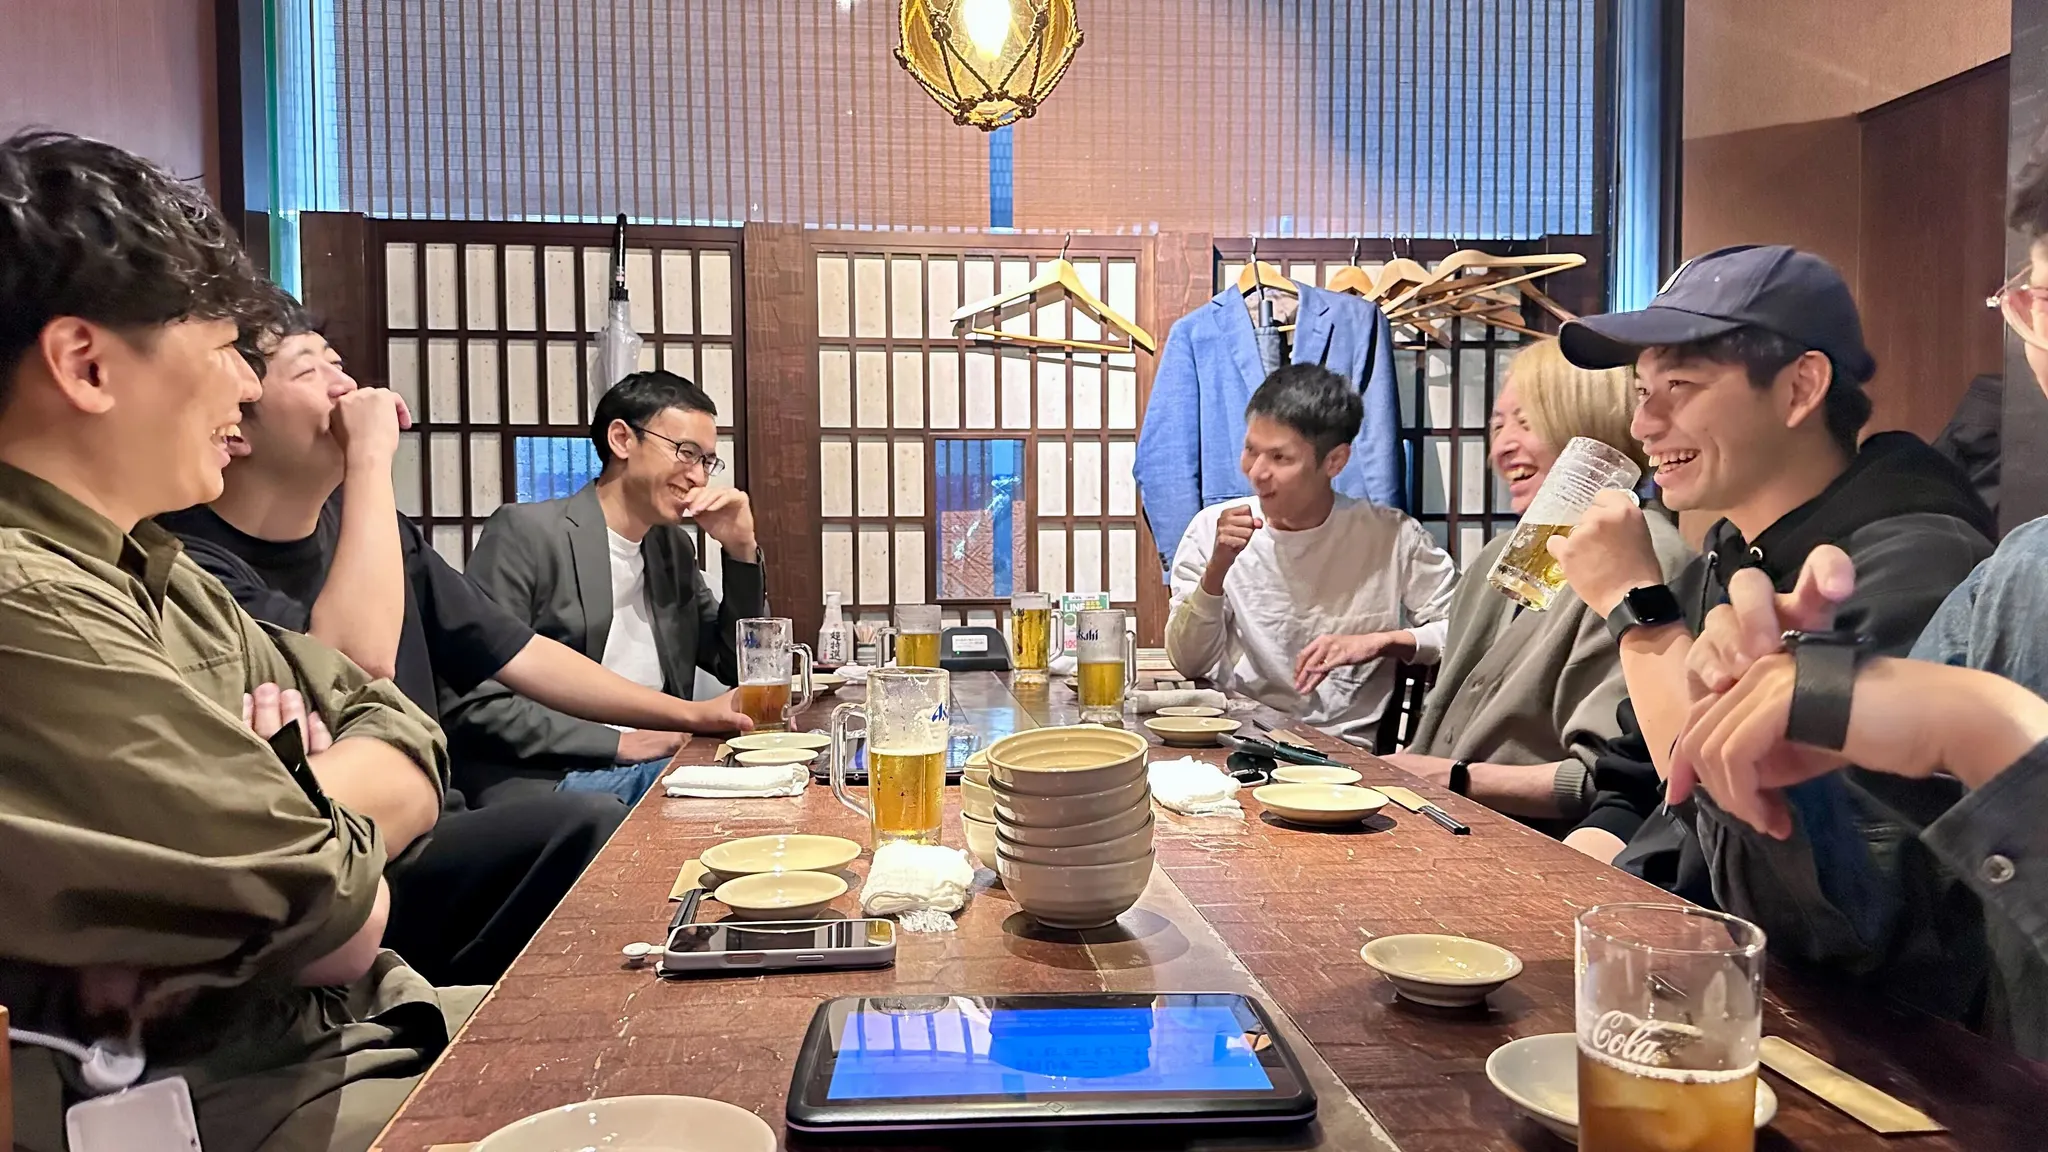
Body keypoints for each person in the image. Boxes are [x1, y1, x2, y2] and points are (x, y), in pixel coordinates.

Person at [0, 129, 465, 1152]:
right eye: (222, 352)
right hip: (206, 1099)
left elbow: (393, 718)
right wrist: (315, 807)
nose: (245, 393)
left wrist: (289, 789)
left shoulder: (161, 573)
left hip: (336, 1032)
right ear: (85, 365)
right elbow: (334, 912)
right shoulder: (29, 605)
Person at [158, 292, 747, 977]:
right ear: (237, 420)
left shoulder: (377, 528)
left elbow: (521, 653)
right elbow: (353, 667)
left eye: (339, 364)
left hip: (437, 824)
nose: (347, 388)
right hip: (345, 867)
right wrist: (369, 462)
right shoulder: (191, 563)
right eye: (310, 371)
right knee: (609, 828)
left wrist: (692, 714)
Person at [1548, 243, 1996, 1022]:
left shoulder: (1913, 566)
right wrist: (1564, 900)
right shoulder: (1730, 553)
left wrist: (1634, 605)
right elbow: (1637, 779)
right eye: (1642, 391)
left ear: (1800, 388)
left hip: (1832, 1030)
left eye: (1679, 388)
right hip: (1682, 968)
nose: (1642, 424)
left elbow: (1838, 911)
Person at [1679, 545, 2048, 1058]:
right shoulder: (2019, 578)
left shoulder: (1932, 550)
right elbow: (1891, 961)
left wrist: (1987, 729)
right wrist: (1770, 744)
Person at [1385, 338, 1691, 841]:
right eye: (1498, 426)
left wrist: (1455, 777)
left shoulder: (1650, 560)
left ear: (1588, 425)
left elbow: (1617, 783)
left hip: (1538, 851)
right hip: (1433, 827)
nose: (1502, 446)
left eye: (1526, 423)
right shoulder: (1498, 556)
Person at [450, 370, 766, 805]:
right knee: (745, 798)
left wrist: (741, 550)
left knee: (785, 772)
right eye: (686, 453)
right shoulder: (527, 534)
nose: (698, 476)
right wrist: (617, 743)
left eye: (707, 461)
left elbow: (736, 666)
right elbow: (477, 701)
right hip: (557, 773)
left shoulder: (671, 548)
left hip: (660, 758)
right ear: (621, 440)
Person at [1164, 363, 1457, 746]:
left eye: (1280, 458)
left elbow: (1461, 629)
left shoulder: (1391, 536)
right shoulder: (1212, 529)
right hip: (1238, 739)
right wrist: (1217, 569)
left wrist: (1381, 642)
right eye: (1250, 450)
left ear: (1335, 461)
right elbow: (1188, 662)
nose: (1257, 472)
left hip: (1345, 753)